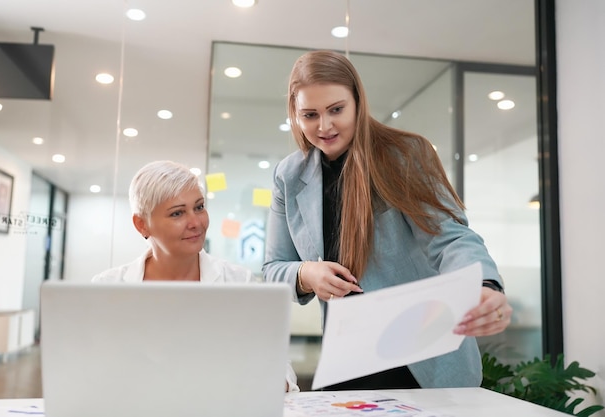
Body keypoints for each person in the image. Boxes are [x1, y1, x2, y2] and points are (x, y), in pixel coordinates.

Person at [262, 50, 513, 390]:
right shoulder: (288, 177)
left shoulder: (405, 155)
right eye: (310, 114)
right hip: (348, 359)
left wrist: (484, 285)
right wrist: (306, 274)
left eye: (337, 109)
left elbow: (451, 237)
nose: (324, 126)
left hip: (423, 357)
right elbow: (273, 268)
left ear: (357, 102)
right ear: (295, 114)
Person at [92, 160, 299, 392]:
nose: (196, 223)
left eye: (199, 207)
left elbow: (281, 370)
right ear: (142, 225)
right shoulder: (107, 288)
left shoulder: (239, 283)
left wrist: (259, 377)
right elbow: (91, 373)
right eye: (177, 213)